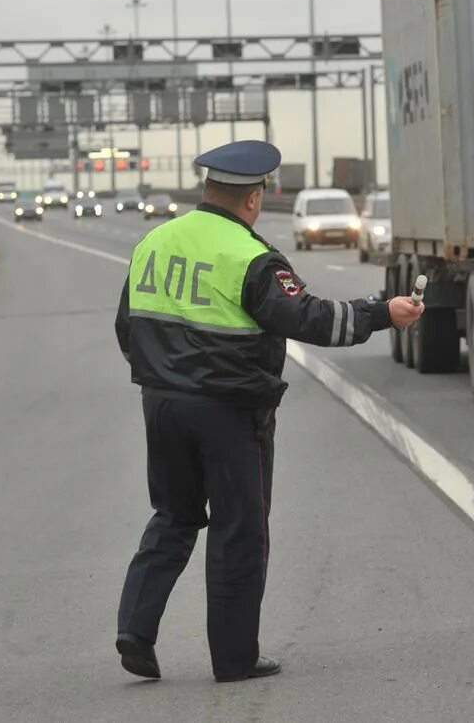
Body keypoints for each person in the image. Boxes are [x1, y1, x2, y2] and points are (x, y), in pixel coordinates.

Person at [114, 140, 424, 683]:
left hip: (161, 405)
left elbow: (126, 326)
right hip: (229, 413)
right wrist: (383, 313)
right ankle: (233, 659)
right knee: (239, 530)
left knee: (175, 516)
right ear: (255, 199)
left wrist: (165, 378)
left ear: (207, 190)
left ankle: (135, 631)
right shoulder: (251, 256)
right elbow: (312, 321)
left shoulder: (154, 242)